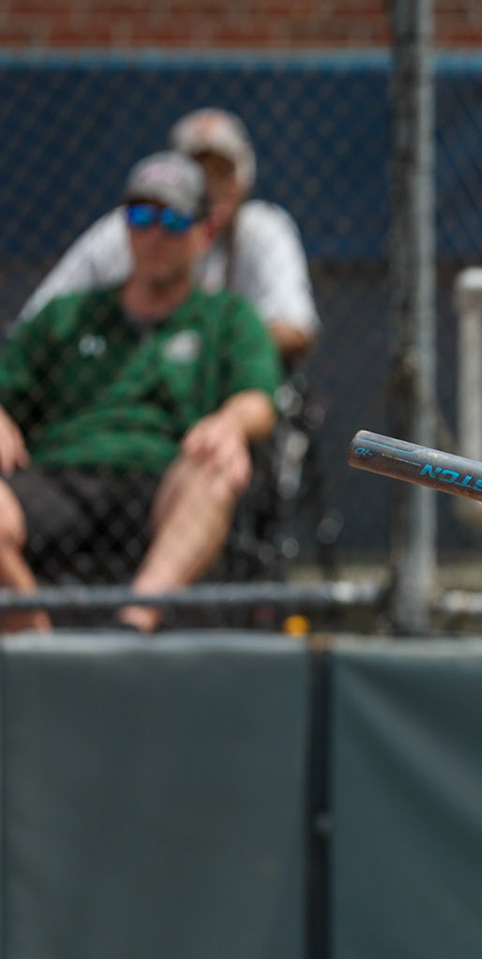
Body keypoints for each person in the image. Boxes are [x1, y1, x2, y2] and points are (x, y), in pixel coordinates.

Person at [0, 152, 282, 633]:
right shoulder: (65, 315)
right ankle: (38, 643)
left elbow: (258, 398)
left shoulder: (228, 317)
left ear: (204, 233)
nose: (155, 235)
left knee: (216, 468)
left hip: (163, 480)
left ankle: (130, 628)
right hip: (58, 477)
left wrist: (230, 422)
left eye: (173, 220)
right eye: (141, 217)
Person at [19, 108, 318, 365]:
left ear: (243, 181)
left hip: (232, 383)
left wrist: (195, 349)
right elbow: (34, 321)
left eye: (223, 173)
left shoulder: (262, 228)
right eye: (199, 173)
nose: (212, 187)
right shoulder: (130, 224)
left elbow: (295, 328)